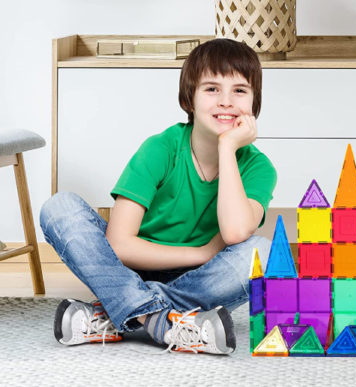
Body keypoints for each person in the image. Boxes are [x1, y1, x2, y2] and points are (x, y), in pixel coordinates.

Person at [40, 38, 277, 355]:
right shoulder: (160, 148)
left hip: (200, 279)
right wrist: (201, 253)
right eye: (211, 89)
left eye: (239, 90)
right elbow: (119, 245)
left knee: (261, 252)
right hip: (131, 267)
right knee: (59, 207)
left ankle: (117, 312)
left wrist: (227, 148)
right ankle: (165, 323)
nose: (226, 101)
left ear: (254, 103)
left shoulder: (259, 168)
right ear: (189, 99)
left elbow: (235, 233)